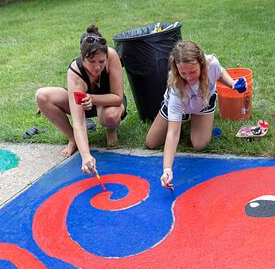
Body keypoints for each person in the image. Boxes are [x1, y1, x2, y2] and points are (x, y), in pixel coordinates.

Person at [145, 40, 246, 188]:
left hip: (202, 104)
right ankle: (183, 118)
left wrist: (232, 83)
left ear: (202, 64)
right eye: (183, 72)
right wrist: (167, 170)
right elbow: (173, 134)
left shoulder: (212, 63)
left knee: (199, 144)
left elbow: (220, 72)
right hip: (180, 107)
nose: (188, 77)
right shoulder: (176, 89)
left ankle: (194, 120)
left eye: (192, 72)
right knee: (151, 142)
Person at [35, 24, 127, 176]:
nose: (97, 67)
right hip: (84, 103)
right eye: (92, 62)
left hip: (108, 101)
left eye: (101, 62)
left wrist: (92, 98)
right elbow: (79, 120)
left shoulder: (111, 55)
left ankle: (111, 130)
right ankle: (74, 139)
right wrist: (86, 156)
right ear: (82, 56)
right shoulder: (75, 72)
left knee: (109, 115)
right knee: (42, 95)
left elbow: (117, 98)